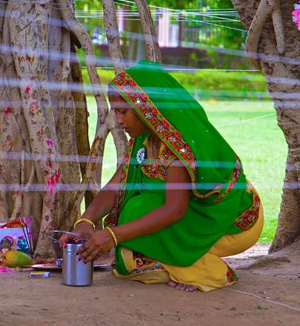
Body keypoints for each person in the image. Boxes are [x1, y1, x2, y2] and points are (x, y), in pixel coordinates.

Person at [59, 60, 263, 292]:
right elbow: (116, 187)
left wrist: (112, 235)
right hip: (191, 219)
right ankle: (177, 265)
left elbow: (174, 210)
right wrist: (85, 221)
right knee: (128, 260)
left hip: (229, 224)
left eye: (123, 112)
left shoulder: (177, 149)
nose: (118, 121)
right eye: (115, 112)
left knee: (138, 212)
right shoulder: (144, 141)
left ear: (147, 107)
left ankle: (209, 272)